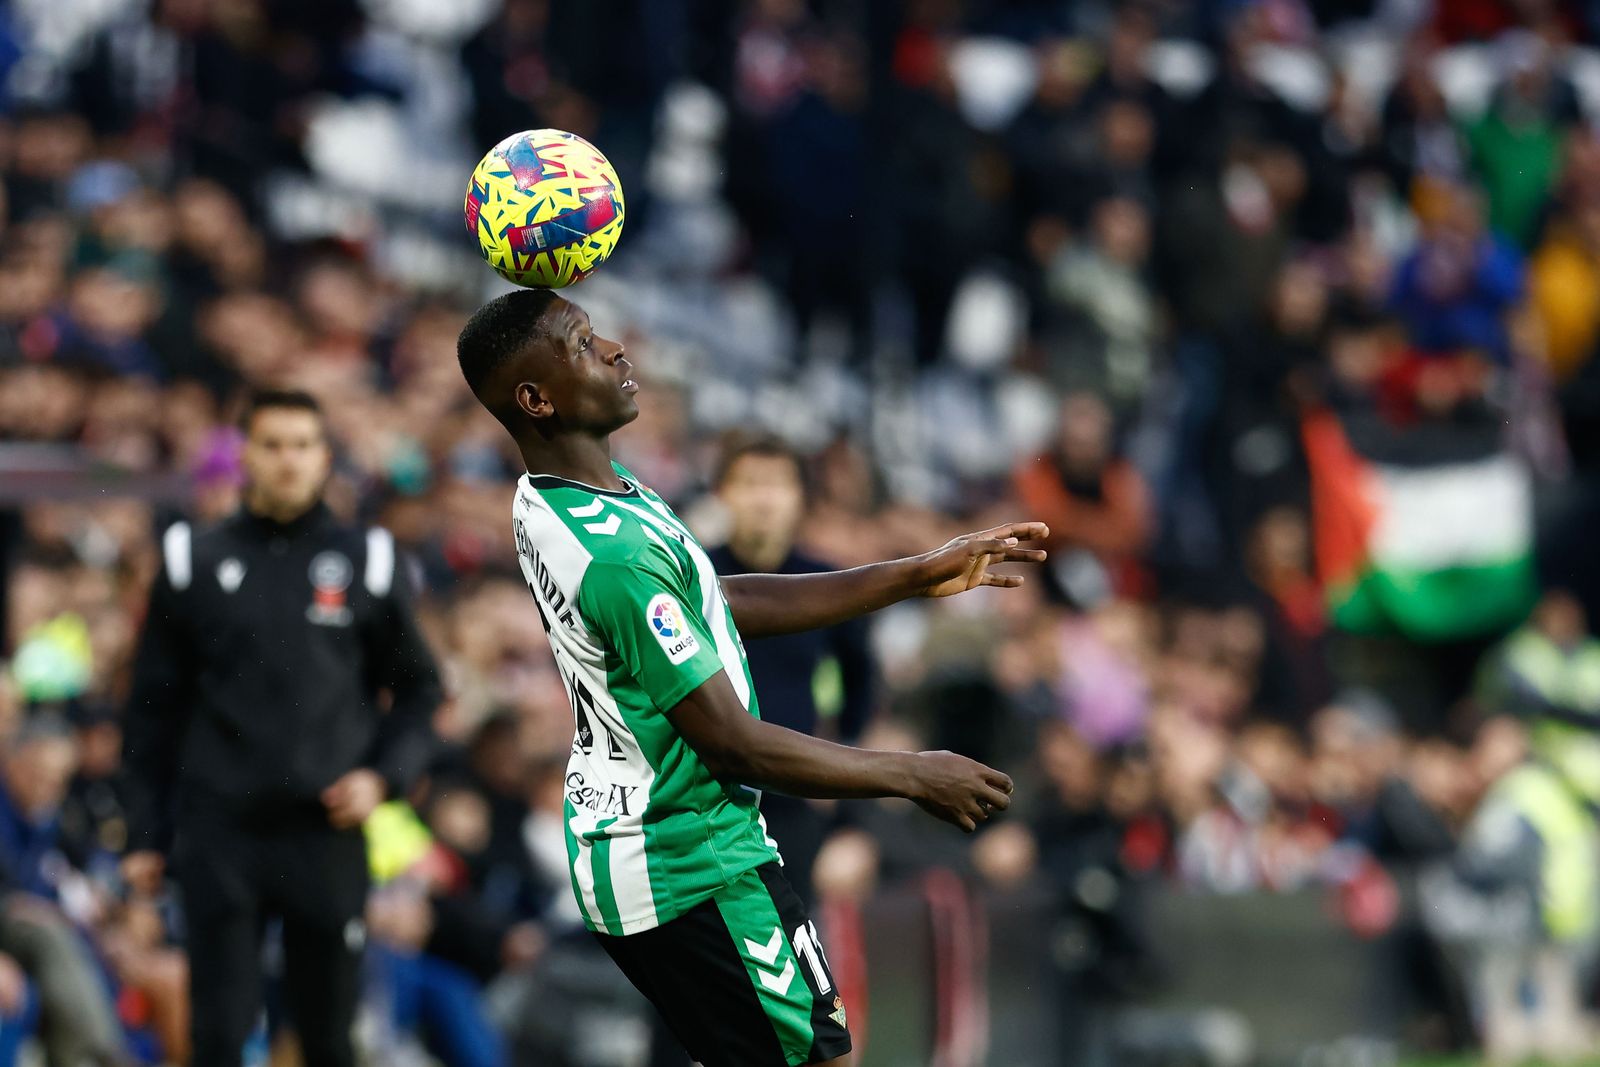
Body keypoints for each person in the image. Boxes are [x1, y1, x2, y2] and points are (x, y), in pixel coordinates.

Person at [454, 289, 1043, 1067]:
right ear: (536, 399)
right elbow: (732, 743)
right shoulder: (615, 554)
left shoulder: (567, 493)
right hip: (689, 857)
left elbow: (712, 599)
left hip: (663, 838)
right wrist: (911, 774)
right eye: (584, 343)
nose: (616, 350)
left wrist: (913, 573)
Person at [120, 389, 443, 1067]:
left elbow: (421, 690)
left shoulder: (369, 559)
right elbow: (152, 708)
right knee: (218, 1034)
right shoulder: (190, 558)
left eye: (303, 445)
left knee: (328, 1037)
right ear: (244, 455)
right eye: (272, 445)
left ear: (326, 457)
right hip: (219, 830)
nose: (288, 460)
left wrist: (383, 778)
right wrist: (145, 831)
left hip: (324, 829)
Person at [706, 433, 874, 906]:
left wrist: (846, 822)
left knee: (796, 938)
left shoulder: (827, 584)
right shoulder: (691, 575)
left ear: (801, 497)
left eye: (777, 485)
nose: (763, 500)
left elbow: (861, 682)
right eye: (749, 483)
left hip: (794, 802)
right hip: (706, 804)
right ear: (722, 493)